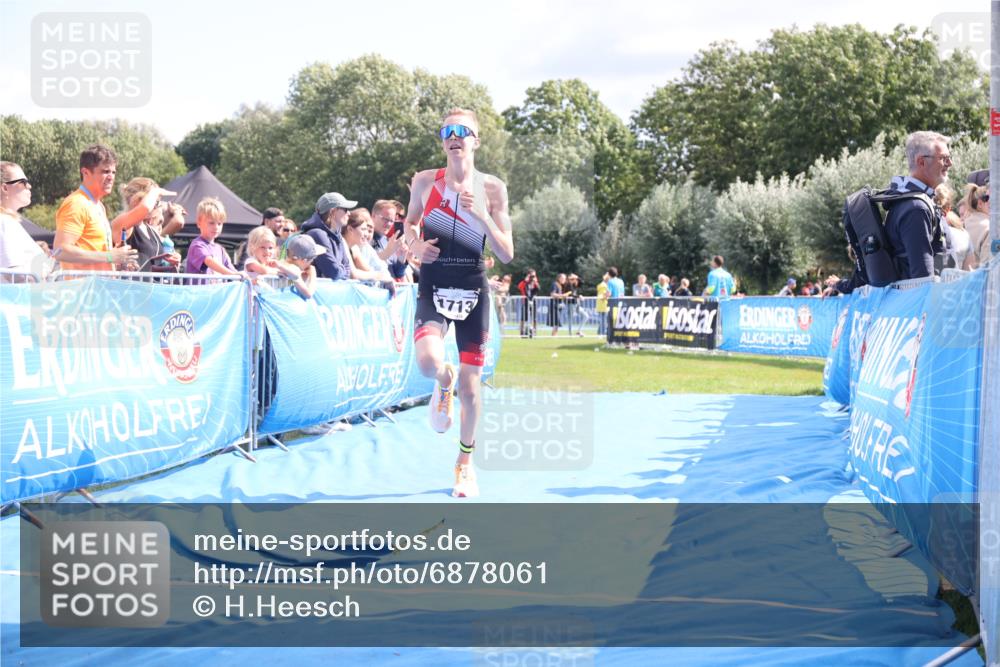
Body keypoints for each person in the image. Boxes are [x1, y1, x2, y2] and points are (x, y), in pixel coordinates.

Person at [402, 107, 514, 498]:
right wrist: (415, 245)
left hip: (472, 287)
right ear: (443, 139)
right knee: (429, 363)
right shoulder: (422, 181)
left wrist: (481, 215)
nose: (454, 135)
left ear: (475, 141)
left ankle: (465, 465)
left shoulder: (493, 189)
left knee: (472, 388)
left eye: (463, 130)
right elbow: (410, 223)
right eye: (448, 130)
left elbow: (507, 253)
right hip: (433, 282)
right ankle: (441, 381)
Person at [53, 144, 154, 271]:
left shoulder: (98, 205)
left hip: (98, 287)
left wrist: (117, 261)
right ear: (85, 172)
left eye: (113, 172)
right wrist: (109, 257)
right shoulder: (76, 203)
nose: (111, 177)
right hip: (83, 289)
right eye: (105, 171)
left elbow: (96, 253)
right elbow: (60, 251)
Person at [883, 131, 950, 279]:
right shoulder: (916, 208)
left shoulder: (911, 201)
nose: (949, 164)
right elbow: (923, 277)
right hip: (919, 300)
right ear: (921, 162)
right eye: (944, 158)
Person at [120, 177, 184, 272]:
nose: (158, 206)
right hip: (134, 285)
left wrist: (172, 260)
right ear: (139, 200)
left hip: (153, 285)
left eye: (158, 202)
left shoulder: (149, 229)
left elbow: (155, 261)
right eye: (155, 201)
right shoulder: (127, 226)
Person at [0, 161, 48, 276]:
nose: (29, 186)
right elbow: (14, 275)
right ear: (5, 188)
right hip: (21, 293)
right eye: (23, 182)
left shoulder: (8, 221)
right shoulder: (4, 222)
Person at [300, 192, 357, 280]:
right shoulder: (317, 234)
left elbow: (348, 270)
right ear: (333, 212)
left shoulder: (338, 236)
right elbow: (333, 272)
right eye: (345, 209)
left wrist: (340, 270)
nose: (349, 213)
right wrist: (341, 270)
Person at [185, 197, 240, 276]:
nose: (216, 227)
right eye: (211, 223)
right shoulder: (197, 245)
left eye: (219, 223)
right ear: (199, 223)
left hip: (218, 288)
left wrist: (242, 276)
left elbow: (231, 269)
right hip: (201, 288)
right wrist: (232, 274)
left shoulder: (221, 250)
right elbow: (209, 261)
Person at [344, 209, 392, 283]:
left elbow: (367, 269)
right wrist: (377, 276)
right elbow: (354, 274)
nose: (366, 234)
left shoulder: (354, 248)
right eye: (363, 229)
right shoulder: (342, 243)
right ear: (350, 229)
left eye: (367, 230)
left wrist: (381, 276)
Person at [935, 183, 970, 270]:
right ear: (949, 208)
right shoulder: (964, 235)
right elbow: (969, 270)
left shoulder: (924, 230)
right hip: (957, 281)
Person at [282, 233, 324, 299]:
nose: (312, 262)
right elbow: (309, 294)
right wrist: (313, 274)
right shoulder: (293, 270)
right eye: (312, 258)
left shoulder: (283, 265)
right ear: (304, 260)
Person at [962, 184, 991, 271]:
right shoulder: (989, 228)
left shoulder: (962, 224)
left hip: (962, 281)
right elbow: (987, 267)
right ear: (980, 204)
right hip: (979, 281)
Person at [518, 268, 540, 337]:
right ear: (528, 275)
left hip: (533, 301)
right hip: (525, 301)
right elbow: (520, 287)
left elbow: (538, 289)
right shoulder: (524, 282)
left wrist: (535, 282)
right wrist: (525, 280)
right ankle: (522, 332)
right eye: (532, 275)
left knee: (534, 317)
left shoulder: (535, 282)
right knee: (523, 317)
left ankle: (534, 331)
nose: (533, 277)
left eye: (534, 275)